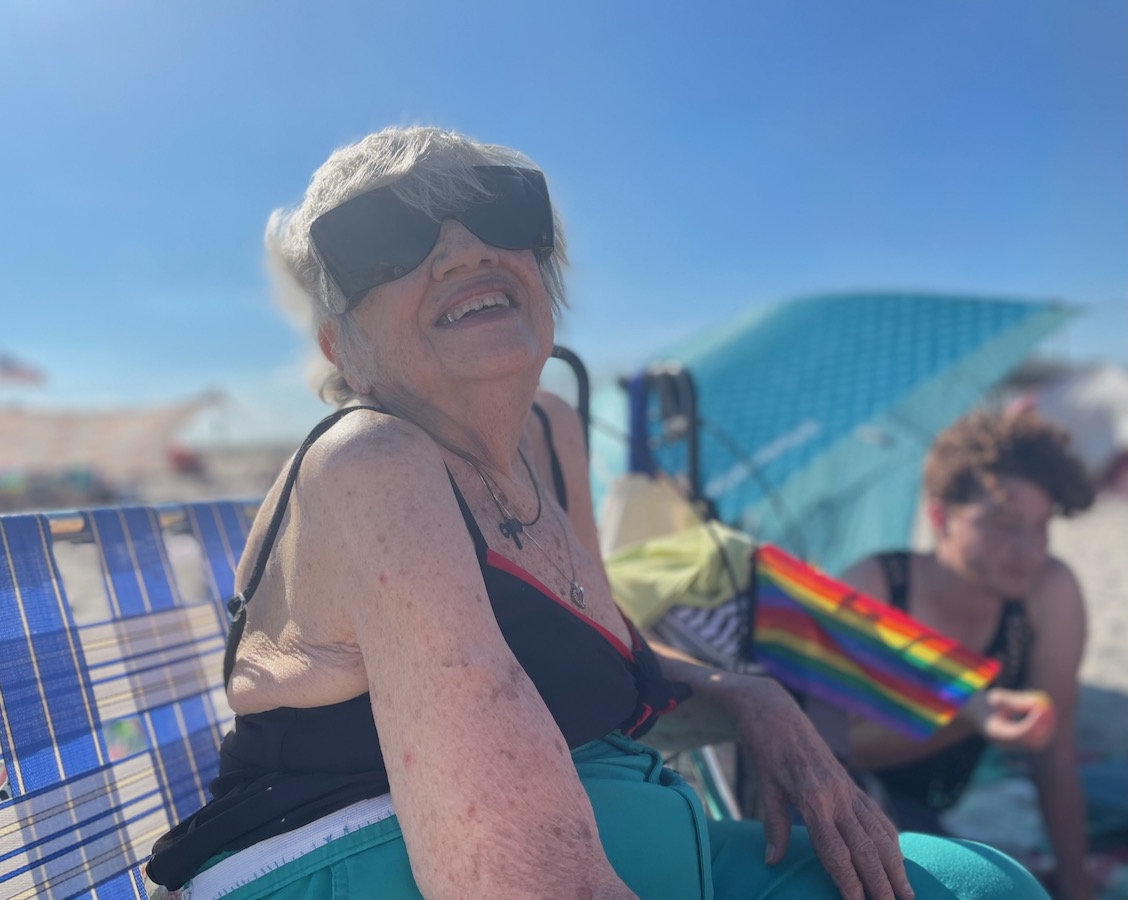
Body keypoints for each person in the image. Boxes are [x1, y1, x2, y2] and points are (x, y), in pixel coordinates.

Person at [146, 125, 1047, 899]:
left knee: (980, 882)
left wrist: (749, 693)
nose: (462, 250)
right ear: (341, 342)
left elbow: (611, 644)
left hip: (614, 823)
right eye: (385, 237)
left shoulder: (552, 431)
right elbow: (519, 883)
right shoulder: (372, 463)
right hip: (374, 855)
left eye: (502, 211)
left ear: (544, 269)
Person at [842, 409, 1095, 900]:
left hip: (935, 813)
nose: (1028, 550)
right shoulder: (875, 588)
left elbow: (1054, 752)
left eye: (1041, 527)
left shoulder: (1047, 593)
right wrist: (966, 712)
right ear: (941, 517)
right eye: (1003, 523)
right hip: (845, 806)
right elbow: (829, 750)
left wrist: (1077, 885)